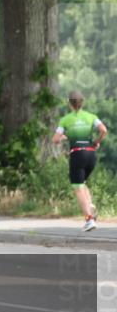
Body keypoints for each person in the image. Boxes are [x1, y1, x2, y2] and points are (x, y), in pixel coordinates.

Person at [53, 90, 108, 232]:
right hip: (91, 155)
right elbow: (104, 130)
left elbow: (55, 139)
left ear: (69, 103)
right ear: (82, 102)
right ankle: (90, 207)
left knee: (77, 187)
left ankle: (89, 219)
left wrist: (67, 136)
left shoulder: (66, 120)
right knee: (82, 183)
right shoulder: (91, 117)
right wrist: (96, 142)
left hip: (77, 154)